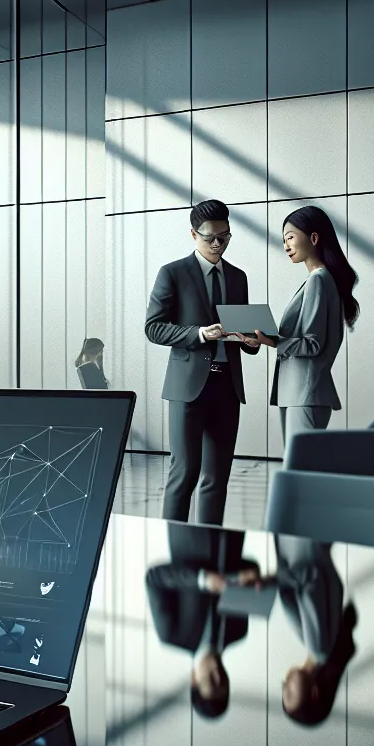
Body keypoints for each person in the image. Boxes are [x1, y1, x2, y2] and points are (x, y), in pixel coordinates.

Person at [144, 199, 260, 525]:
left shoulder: (238, 277)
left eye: (224, 236)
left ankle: (209, 548)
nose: (217, 244)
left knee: (217, 477)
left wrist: (251, 341)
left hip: (227, 385)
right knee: (184, 473)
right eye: (210, 237)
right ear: (193, 234)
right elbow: (153, 327)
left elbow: (244, 333)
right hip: (188, 387)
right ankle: (173, 550)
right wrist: (198, 334)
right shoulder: (173, 273)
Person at [255, 205, 359, 445]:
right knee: (299, 469)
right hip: (299, 393)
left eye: (290, 237)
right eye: (283, 240)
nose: (285, 246)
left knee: (301, 470)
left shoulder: (318, 281)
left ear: (313, 238)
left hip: (305, 393)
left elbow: (312, 344)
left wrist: (271, 341)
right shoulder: (320, 280)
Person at [145, 521, 256, 720]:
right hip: (233, 528)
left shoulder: (172, 634)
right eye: (223, 681)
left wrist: (202, 580)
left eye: (212, 681)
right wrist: (249, 579)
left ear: (194, 679)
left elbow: (154, 578)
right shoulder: (238, 631)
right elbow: (249, 568)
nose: (217, 673)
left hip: (190, 525)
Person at [273, 535, 356, 727]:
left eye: (283, 689)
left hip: (297, 542)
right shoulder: (318, 647)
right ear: (314, 693)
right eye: (291, 693)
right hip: (301, 541)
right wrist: (270, 580)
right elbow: (310, 579)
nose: (286, 685)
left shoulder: (317, 646)